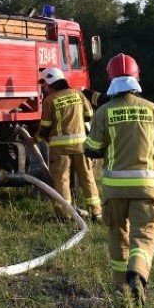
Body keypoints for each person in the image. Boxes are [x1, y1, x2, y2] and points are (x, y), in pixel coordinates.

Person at [84, 53, 154, 305]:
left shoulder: (104, 112)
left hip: (114, 190)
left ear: (110, 79)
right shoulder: (153, 110)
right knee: (144, 235)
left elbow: (91, 148)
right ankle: (137, 273)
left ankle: (120, 286)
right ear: (137, 78)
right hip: (146, 189)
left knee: (117, 234)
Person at [34, 67, 102, 222]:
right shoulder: (78, 94)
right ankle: (96, 213)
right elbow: (88, 115)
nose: (44, 88)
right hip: (82, 146)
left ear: (51, 82)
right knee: (87, 178)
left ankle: (64, 215)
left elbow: (45, 127)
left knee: (62, 180)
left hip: (60, 149)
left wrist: (36, 139)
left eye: (45, 85)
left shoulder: (49, 100)